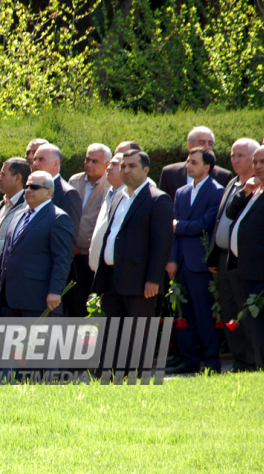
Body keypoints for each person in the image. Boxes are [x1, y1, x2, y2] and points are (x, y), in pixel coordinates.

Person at [92, 150, 173, 372]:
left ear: (145, 170)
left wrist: (154, 279)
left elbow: (162, 244)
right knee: (112, 328)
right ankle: (109, 373)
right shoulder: (118, 196)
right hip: (112, 277)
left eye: (132, 166)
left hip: (139, 281)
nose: (126, 170)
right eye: (123, 166)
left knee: (137, 331)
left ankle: (136, 374)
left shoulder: (158, 199)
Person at [165, 149, 224, 374]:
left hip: (201, 264)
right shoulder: (181, 192)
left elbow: (205, 224)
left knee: (204, 314)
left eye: (194, 162)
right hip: (181, 264)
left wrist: (178, 226)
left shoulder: (216, 191)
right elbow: (175, 232)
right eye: (188, 161)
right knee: (183, 314)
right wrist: (172, 260)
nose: (188, 165)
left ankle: (211, 360)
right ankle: (189, 360)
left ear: (207, 167)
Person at [207, 138, 259, 372]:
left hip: (244, 260)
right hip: (223, 259)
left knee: (244, 311)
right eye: (232, 155)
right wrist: (214, 256)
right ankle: (239, 360)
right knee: (229, 310)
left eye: (241, 156)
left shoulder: (258, 188)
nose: (235, 160)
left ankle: (252, 360)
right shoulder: (230, 183)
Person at [0, 171, 73, 316]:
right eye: (26, 186)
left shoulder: (58, 218)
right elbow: (7, 253)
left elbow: (62, 259)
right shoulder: (18, 214)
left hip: (37, 299)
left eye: (34, 187)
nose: (28, 190)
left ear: (49, 192)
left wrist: (55, 291)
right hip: (11, 298)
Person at [225, 144, 264, 369]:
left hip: (261, 274)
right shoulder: (256, 189)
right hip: (245, 270)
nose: (257, 166)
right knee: (253, 326)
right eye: (255, 162)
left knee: (262, 326)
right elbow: (231, 212)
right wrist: (245, 192)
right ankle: (262, 368)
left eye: (263, 162)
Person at [68, 143, 112, 317]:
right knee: (74, 302)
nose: (89, 164)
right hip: (73, 254)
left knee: (93, 304)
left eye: (95, 161)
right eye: (87, 159)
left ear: (107, 165)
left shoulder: (110, 184)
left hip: (93, 255)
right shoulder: (74, 180)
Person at [0, 158, 30, 317]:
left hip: (8, 285)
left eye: (3, 174)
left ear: (18, 178)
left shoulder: (27, 206)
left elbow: (19, 241)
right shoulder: (1, 204)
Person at [32, 143, 81, 256]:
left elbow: (68, 243)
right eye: (34, 159)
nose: (35, 163)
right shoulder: (30, 188)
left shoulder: (67, 194)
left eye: (41, 159)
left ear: (55, 164)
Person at [158, 126, 233, 200]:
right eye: (202, 143)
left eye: (210, 144)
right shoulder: (169, 173)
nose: (207, 147)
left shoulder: (224, 176)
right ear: (189, 146)